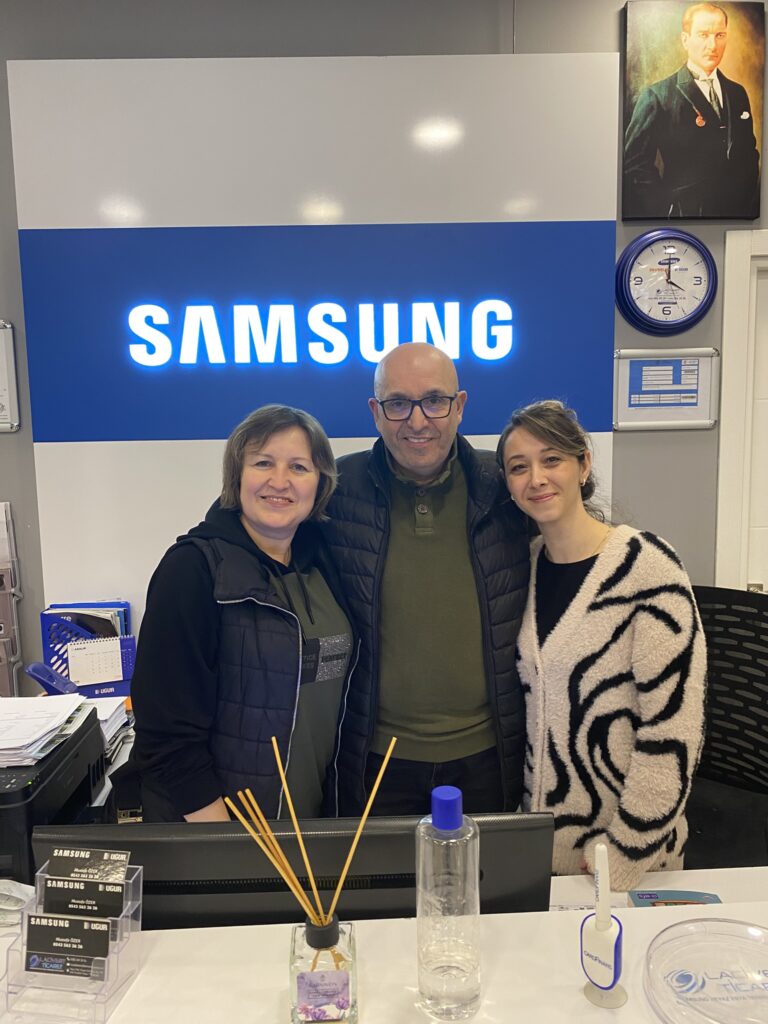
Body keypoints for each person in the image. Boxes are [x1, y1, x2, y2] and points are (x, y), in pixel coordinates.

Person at [497, 400, 706, 891]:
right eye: (519, 467)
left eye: (552, 460)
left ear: (584, 465)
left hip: (626, 856)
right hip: (541, 853)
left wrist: (627, 850)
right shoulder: (523, 568)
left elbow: (674, 730)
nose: (536, 479)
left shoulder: (648, 568)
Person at [322, 343, 530, 817]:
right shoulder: (337, 490)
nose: (417, 421)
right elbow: (253, 519)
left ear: (460, 406)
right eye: (398, 403)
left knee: (479, 869)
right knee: (380, 870)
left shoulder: (504, 487)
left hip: (488, 756)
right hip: (376, 759)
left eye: (434, 400)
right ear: (375, 412)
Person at [131, 405, 356, 823]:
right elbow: (164, 733)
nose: (280, 481)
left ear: (321, 482)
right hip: (218, 829)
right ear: (237, 475)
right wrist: (223, 841)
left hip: (311, 820)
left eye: (299, 467)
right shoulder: (193, 569)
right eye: (263, 463)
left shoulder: (324, 564)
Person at [623, 2, 759, 219]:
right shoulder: (657, 95)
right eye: (703, 35)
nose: (712, 45)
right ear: (685, 40)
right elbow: (634, 165)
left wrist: (745, 204)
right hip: (684, 217)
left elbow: (749, 156)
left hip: (735, 217)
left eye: (720, 35)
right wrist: (667, 209)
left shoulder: (737, 92)